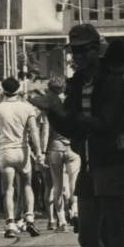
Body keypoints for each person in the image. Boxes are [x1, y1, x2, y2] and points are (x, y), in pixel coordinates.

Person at [32, 24, 124, 247]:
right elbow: (72, 127)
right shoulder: (79, 81)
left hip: (110, 161)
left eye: (81, 50)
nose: (76, 56)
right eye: (73, 51)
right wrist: (54, 112)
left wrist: (59, 111)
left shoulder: (112, 80)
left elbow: (106, 123)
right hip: (89, 162)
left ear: (96, 49)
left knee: (116, 235)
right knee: (87, 236)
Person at [0, 77, 44, 238]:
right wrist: (38, 152)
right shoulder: (27, 108)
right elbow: (34, 132)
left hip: (6, 152)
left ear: (3, 90)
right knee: (27, 185)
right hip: (22, 151)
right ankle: (29, 217)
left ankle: (10, 223)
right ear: (18, 90)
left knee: (8, 189)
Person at [43, 76, 80, 232]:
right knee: (74, 184)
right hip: (72, 148)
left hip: (55, 148)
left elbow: (46, 131)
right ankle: (75, 211)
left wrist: (43, 151)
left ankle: (62, 220)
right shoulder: (72, 104)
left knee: (57, 186)